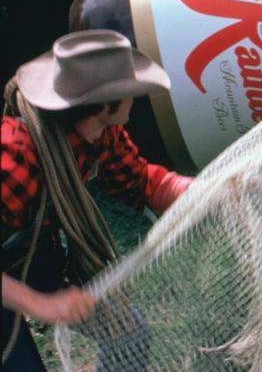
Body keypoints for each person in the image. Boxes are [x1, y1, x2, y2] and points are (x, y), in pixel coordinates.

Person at [2, 29, 193, 370]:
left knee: (127, 335)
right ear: (106, 105)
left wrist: (198, 190)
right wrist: (39, 304)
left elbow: (141, 181)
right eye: (131, 91)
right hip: (10, 273)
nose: (137, 97)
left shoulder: (101, 134)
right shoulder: (15, 157)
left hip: (31, 258)